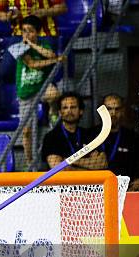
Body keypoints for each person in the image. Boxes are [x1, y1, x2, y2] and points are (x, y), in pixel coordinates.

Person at [15, 15, 63, 164]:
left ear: (37, 32)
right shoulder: (19, 47)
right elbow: (32, 64)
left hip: (41, 87)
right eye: (24, 31)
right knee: (26, 131)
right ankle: (29, 162)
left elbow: (51, 53)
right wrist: (54, 61)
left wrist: (34, 45)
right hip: (26, 93)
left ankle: (53, 113)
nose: (26, 34)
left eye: (30, 31)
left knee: (55, 94)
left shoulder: (44, 44)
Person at [41, 92, 107, 170]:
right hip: (62, 182)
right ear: (60, 112)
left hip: (89, 182)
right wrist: (88, 165)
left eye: (73, 107)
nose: (69, 111)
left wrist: (68, 161)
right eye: (65, 108)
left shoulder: (89, 135)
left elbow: (102, 163)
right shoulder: (52, 137)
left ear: (81, 111)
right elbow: (58, 170)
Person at [99, 94, 139, 190]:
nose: (113, 113)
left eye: (117, 109)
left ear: (123, 111)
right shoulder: (91, 134)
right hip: (96, 191)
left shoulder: (134, 138)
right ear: (101, 111)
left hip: (126, 190)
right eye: (109, 109)